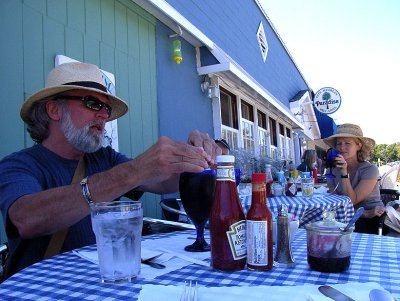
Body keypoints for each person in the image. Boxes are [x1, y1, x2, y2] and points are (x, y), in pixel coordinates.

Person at [0, 62, 221, 278]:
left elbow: (164, 182)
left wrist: (195, 160)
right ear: (54, 109)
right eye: (93, 103)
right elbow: (26, 219)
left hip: (100, 285)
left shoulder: (103, 158)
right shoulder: (19, 165)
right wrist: (132, 171)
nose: (104, 115)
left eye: (106, 107)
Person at [323, 123, 386, 234]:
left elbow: (351, 201)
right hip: (347, 216)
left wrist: (344, 172)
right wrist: (365, 213)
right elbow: (335, 203)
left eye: (347, 143)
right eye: (339, 144)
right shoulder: (331, 171)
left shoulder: (370, 170)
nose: (342, 147)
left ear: (359, 146)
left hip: (372, 221)